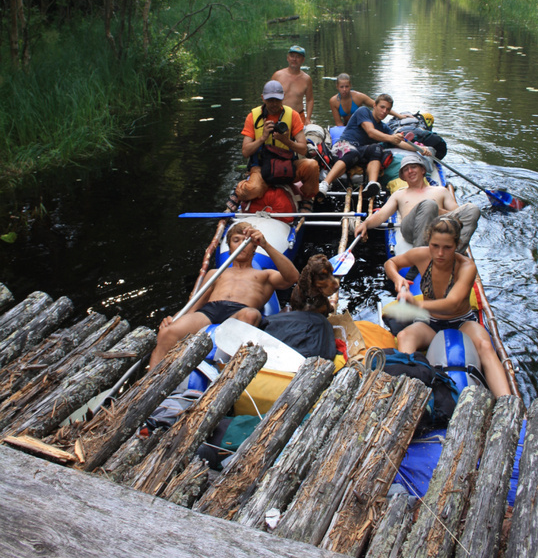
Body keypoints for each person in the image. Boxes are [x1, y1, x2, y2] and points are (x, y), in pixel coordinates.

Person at [384, 216, 510, 398]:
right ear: (429, 241)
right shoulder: (421, 255)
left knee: (485, 345)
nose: (440, 253)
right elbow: (391, 263)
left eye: (447, 248)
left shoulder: (466, 267)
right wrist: (398, 279)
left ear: (457, 245)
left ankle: (507, 402)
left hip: (462, 322)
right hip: (429, 322)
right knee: (405, 336)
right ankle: (405, 397)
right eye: (435, 246)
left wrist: (415, 303)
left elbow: (453, 302)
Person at [149, 222, 299, 367]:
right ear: (229, 248)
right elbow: (194, 306)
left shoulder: (265, 275)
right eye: (236, 240)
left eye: (246, 241)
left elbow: (292, 277)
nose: (241, 244)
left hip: (240, 312)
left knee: (251, 315)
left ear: (254, 247)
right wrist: (174, 319)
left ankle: (226, 370)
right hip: (210, 311)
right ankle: (150, 383)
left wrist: (265, 245)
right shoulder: (215, 273)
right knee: (167, 332)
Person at [356, 152, 480, 253]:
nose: (410, 171)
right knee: (428, 204)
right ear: (403, 176)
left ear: (422, 170)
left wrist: (438, 212)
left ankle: (456, 252)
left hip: (439, 227)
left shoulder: (441, 191)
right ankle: (420, 254)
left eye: (414, 167)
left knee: (472, 209)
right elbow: (381, 215)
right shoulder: (399, 194)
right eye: (406, 170)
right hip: (412, 230)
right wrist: (365, 224)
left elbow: (457, 215)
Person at [235, 79, 319, 211]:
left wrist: (286, 141)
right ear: (263, 98)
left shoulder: (293, 115)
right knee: (250, 191)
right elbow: (245, 152)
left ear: (283, 98)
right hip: (261, 168)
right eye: (270, 100)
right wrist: (262, 138)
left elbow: (303, 148)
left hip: (286, 166)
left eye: (277, 100)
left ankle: (307, 197)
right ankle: (240, 190)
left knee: (312, 166)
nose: (274, 104)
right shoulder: (253, 117)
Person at [318, 94, 415, 200]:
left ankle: (372, 184)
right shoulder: (363, 111)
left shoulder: (383, 127)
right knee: (352, 153)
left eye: (388, 109)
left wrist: (421, 149)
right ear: (374, 105)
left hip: (361, 152)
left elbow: (399, 142)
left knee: (377, 148)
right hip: (344, 146)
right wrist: (391, 138)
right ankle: (325, 184)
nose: (384, 112)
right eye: (382, 107)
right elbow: (371, 132)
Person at [329, 73, 409, 126]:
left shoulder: (358, 97)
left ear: (350, 86)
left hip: (363, 125)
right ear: (337, 87)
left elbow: (380, 106)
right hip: (347, 127)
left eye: (347, 86)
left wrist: (399, 116)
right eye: (341, 87)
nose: (344, 90)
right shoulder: (334, 101)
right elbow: (339, 123)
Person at [271, 45, 314, 125]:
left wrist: (308, 119)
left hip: (298, 116)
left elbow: (309, 100)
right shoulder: (277, 75)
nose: (294, 59)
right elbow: (268, 96)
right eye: (292, 56)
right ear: (288, 58)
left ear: (303, 60)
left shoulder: (306, 79)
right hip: (279, 115)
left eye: (298, 57)